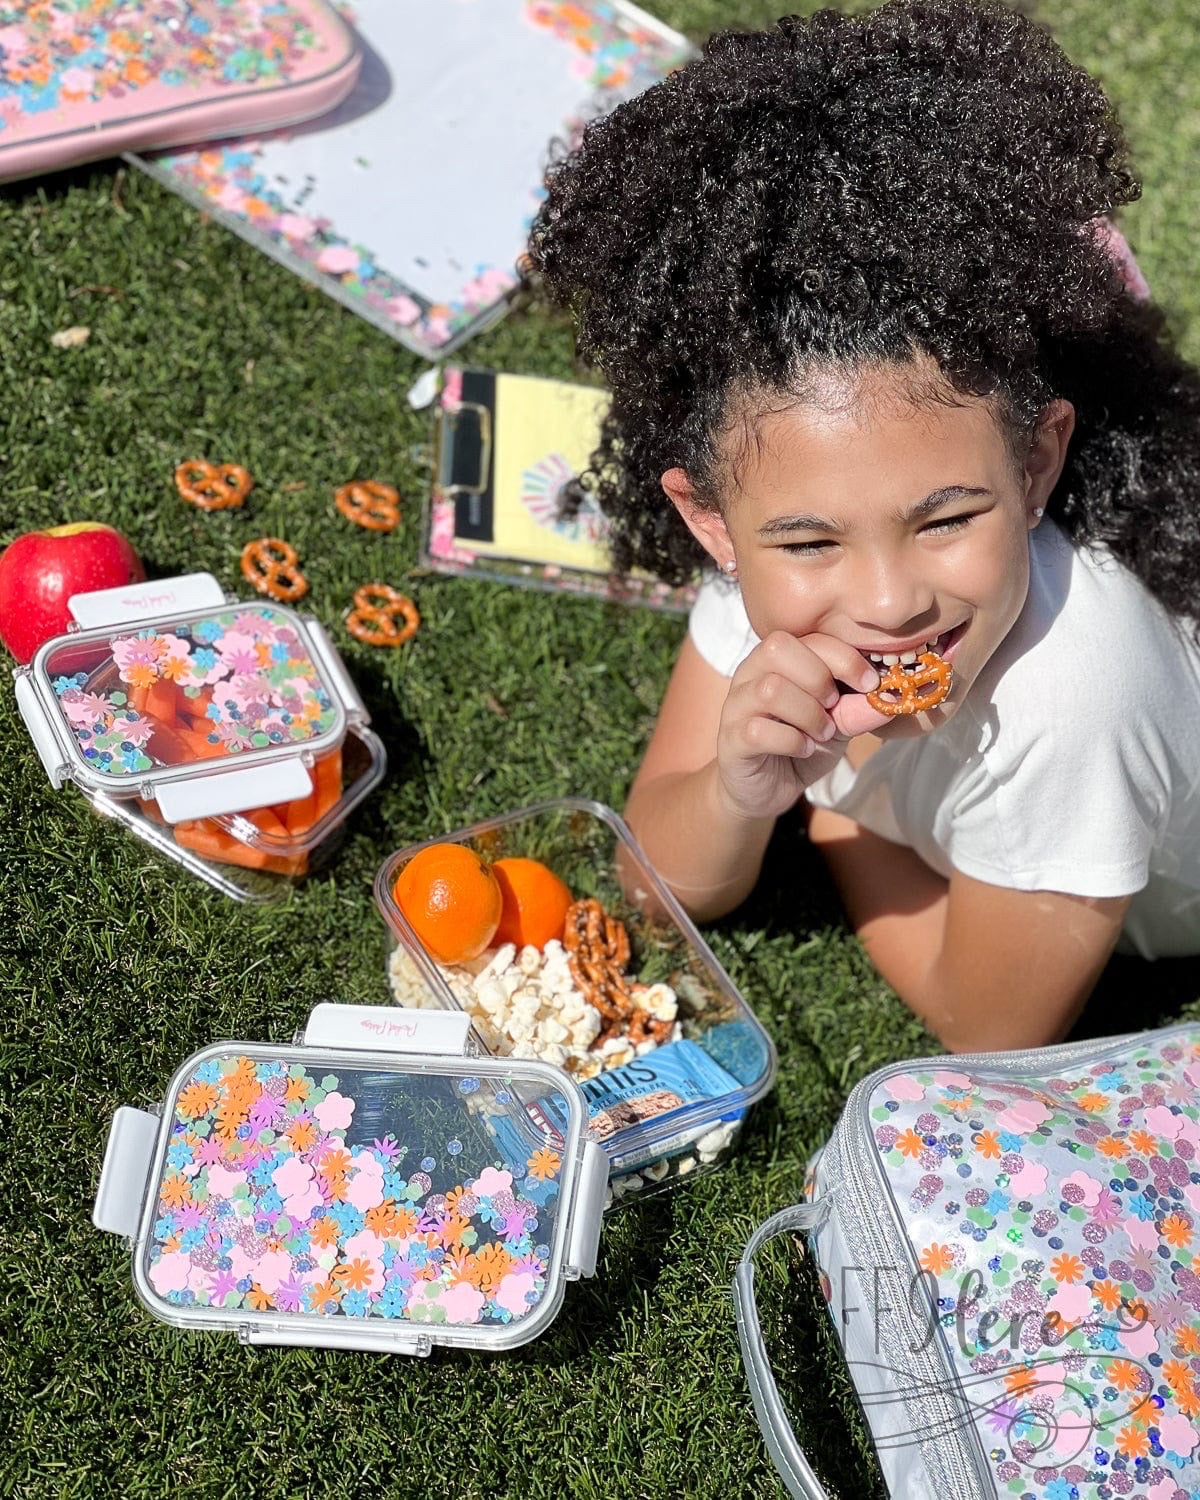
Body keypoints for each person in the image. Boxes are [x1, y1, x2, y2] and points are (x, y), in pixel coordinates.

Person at [527, 0, 1200, 1053]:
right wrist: (743, 791)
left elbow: (988, 1028)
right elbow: (653, 885)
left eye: (947, 518)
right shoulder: (782, 523)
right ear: (713, 523)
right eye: (806, 544)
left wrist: (836, 824)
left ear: (1036, 462)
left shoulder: (1079, 699)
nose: (889, 601)